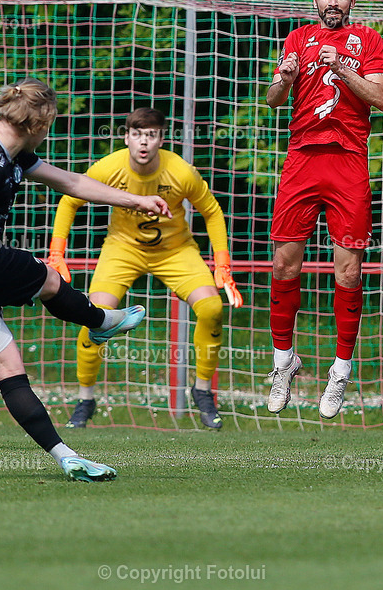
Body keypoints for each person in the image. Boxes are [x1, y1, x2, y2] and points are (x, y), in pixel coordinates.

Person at [0, 78, 172, 482]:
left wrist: (136, 200)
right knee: (43, 274)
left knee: (9, 367)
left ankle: (65, 455)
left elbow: (71, 183)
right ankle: (100, 324)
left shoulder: (6, 147)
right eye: (50, 124)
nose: (50, 131)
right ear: (37, 124)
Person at [47, 108, 242, 431]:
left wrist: (222, 263)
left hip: (175, 250)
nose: (143, 142)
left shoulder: (180, 171)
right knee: (93, 313)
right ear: (126, 137)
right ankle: (85, 399)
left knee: (211, 308)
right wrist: (56, 253)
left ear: (161, 139)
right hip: (122, 249)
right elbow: (70, 200)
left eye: (150, 135)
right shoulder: (109, 166)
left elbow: (212, 211)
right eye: (137, 134)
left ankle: (203, 392)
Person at [264, 0, 383, 419]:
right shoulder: (297, 39)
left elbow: (380, 99)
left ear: (351, 0)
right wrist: (286, 76)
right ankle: (284, 362)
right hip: (302, 158)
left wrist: (341, 68)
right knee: (283, 262)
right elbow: (274, 98)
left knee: (349, 270)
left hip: (349, 161)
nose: (332, 2)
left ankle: (340, 370)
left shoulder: (369, 41)